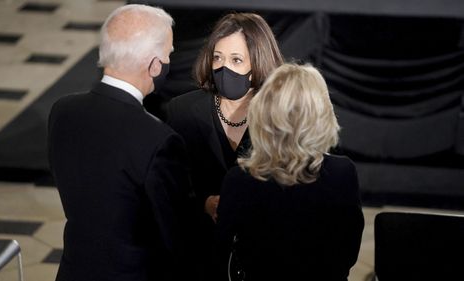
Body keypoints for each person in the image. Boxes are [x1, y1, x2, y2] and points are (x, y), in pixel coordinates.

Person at [48, 5, 193, 281]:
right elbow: (176, 233)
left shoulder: (62, 111)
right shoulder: (158, 139)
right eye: (168, 55)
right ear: (153, 65)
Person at [216, 63, 365, 281]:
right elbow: (348, 254)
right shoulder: (342, 173)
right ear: (321, 114)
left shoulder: (239, 179)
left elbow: (221, 256)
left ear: (263, 111)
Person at [165, 12, 284, 280]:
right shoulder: (182, 111)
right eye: (217, 58)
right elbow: (169, 185)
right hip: (200, 254)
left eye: (236, 60)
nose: (223, 68)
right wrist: (204, 203)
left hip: (265, 256)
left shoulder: (280, 116)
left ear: (259, 62)